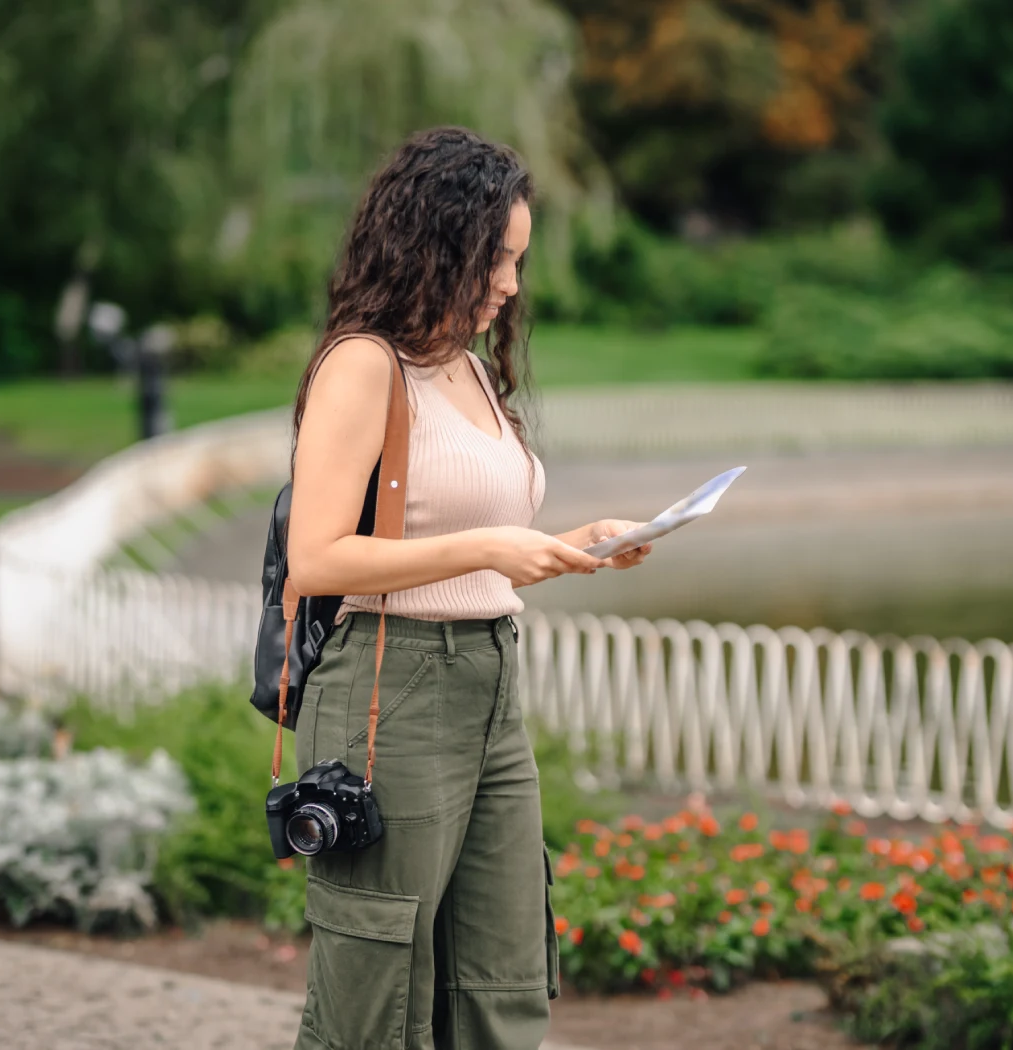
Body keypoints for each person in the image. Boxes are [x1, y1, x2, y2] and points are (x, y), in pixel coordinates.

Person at [287, 125, 652, 1050]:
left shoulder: (472, 371)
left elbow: (464, 532)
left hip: (491, 686)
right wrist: (490, 547)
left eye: (518, 262)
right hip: (390, 689)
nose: (510, 284)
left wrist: (569, 545)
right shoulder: (365, 364)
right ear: (436, 245)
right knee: (380, 996)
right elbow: (319, 561)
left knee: (503, 976)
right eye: (497, 259)